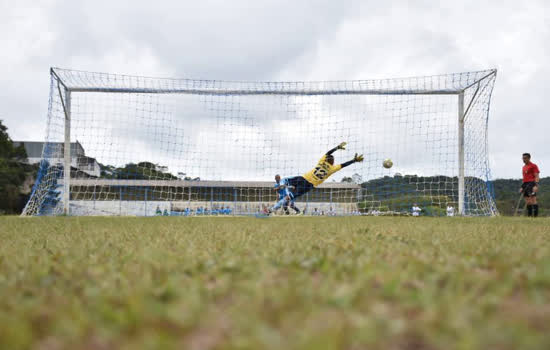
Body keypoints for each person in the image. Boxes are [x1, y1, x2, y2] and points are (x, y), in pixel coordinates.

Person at [285, 142, 363, 200]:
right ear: (332, 162)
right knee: (293, 195)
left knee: (287, 181)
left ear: (326, 159)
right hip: (310, 184)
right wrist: (353, 160)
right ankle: (286, 198)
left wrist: (337, 147)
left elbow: (328, 153)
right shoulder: (332, 169)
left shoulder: (321, 161)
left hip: (304, 177)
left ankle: (284, 187)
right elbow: (344, 164)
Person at [520, 153, 540, 217]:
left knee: (533, 200)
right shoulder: (524, 167)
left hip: (531, 183)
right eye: (523, 158)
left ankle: (535, 217)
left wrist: (536, 185)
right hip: (525, 184)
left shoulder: (533, 166)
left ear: (529, 158)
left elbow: (536, 176)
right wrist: (522, 187)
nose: (524, 159)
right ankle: (529, 216)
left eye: (525, 158)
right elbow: (524, 178)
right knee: (528, 201)